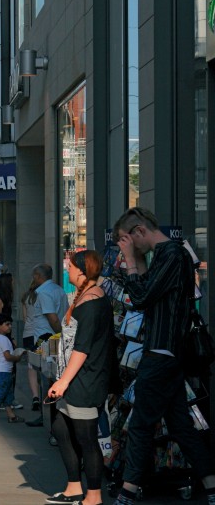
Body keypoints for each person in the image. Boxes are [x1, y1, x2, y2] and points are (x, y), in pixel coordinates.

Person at [112, 207, 215, 505]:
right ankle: (211, 487)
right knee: (182, 427)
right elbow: (148, 291)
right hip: (168, 354)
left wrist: (131, 260)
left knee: (142, 425)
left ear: (139, 232)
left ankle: (128, 492)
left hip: (160, 353)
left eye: (125, 239)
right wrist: (137, 262)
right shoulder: (169, 256)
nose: (125, 246)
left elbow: (141, 299)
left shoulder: (171, 255)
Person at [46, 250, 112, 505]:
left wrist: (63, 381)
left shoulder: (93, 303)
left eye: (71, 266)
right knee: (61, 429)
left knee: (86, 439)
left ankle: (93, 496)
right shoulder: (84, 297)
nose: (68, 269)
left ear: (83, 270)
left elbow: (82, 348)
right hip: (71, 378)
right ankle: (74, 486)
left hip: (84, 381)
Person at [22, 264, 64, 422]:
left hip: (46, 339)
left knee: (48, 374)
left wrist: (60, 333)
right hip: (52, 338)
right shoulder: (59, 290)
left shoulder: (42, 293)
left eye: (34, 276)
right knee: (52, 373)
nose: (33, 279)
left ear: (39, 276)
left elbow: (52, 317)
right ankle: (50, 415)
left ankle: (48, 416)